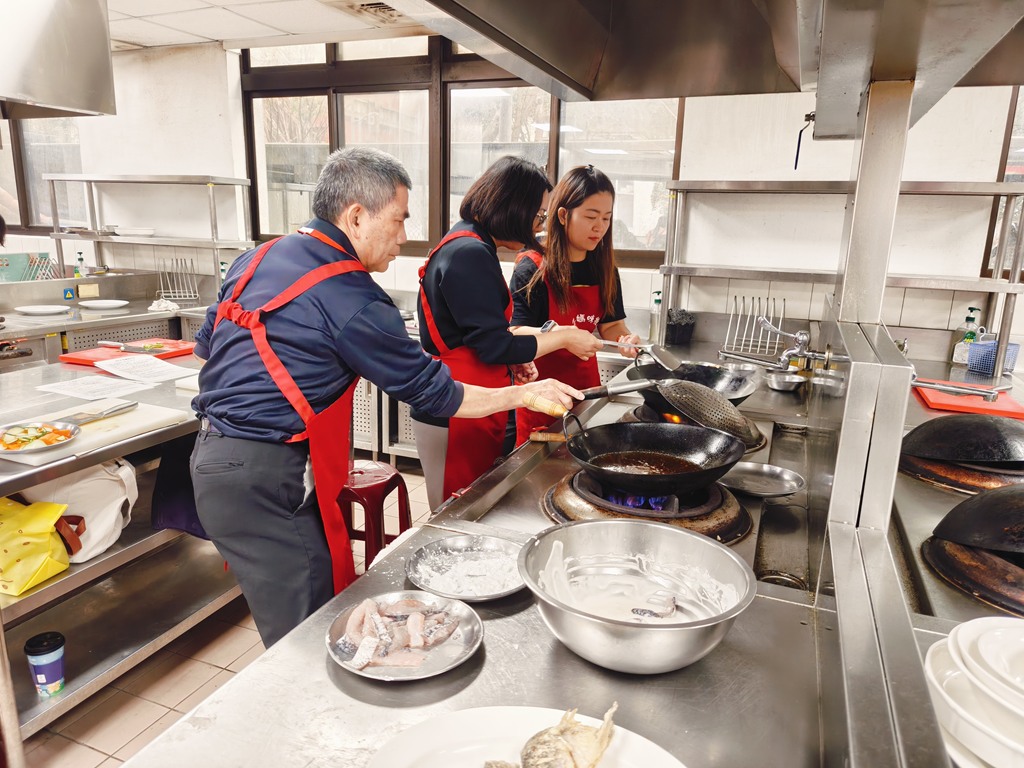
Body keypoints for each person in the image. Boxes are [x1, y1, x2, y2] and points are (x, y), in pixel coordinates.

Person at [190, 147, 581, 647]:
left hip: (213, 458)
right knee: (304, 633)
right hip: (265, 477)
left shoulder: (257, 258)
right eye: (398, 220)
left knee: (314, 597)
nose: (403, 237)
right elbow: (437, 393)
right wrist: (525, 393)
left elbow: (206, 352)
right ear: (356, 216)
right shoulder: (351, 295)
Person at [413, 156, 602, 510]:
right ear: (513, 206)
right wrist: (564, 337)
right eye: (538, 214)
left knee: (472, 503)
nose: (539, 224)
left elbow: (480, 336)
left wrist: (513, 361)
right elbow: (493, 345)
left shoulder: (472, 244)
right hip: (454, 407)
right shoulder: (469, 252)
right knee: (455, 511)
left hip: (471, 401)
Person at [510, 165, 642, 445]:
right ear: (563, 215)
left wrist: (625, 340)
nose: (600, 227)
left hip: (586, 396)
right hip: (541, 398)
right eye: (591, 217)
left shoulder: (604, 269)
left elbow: (611, 324)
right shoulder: (533, 267)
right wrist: (563, 336)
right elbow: (515, 333)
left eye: (606, 218)